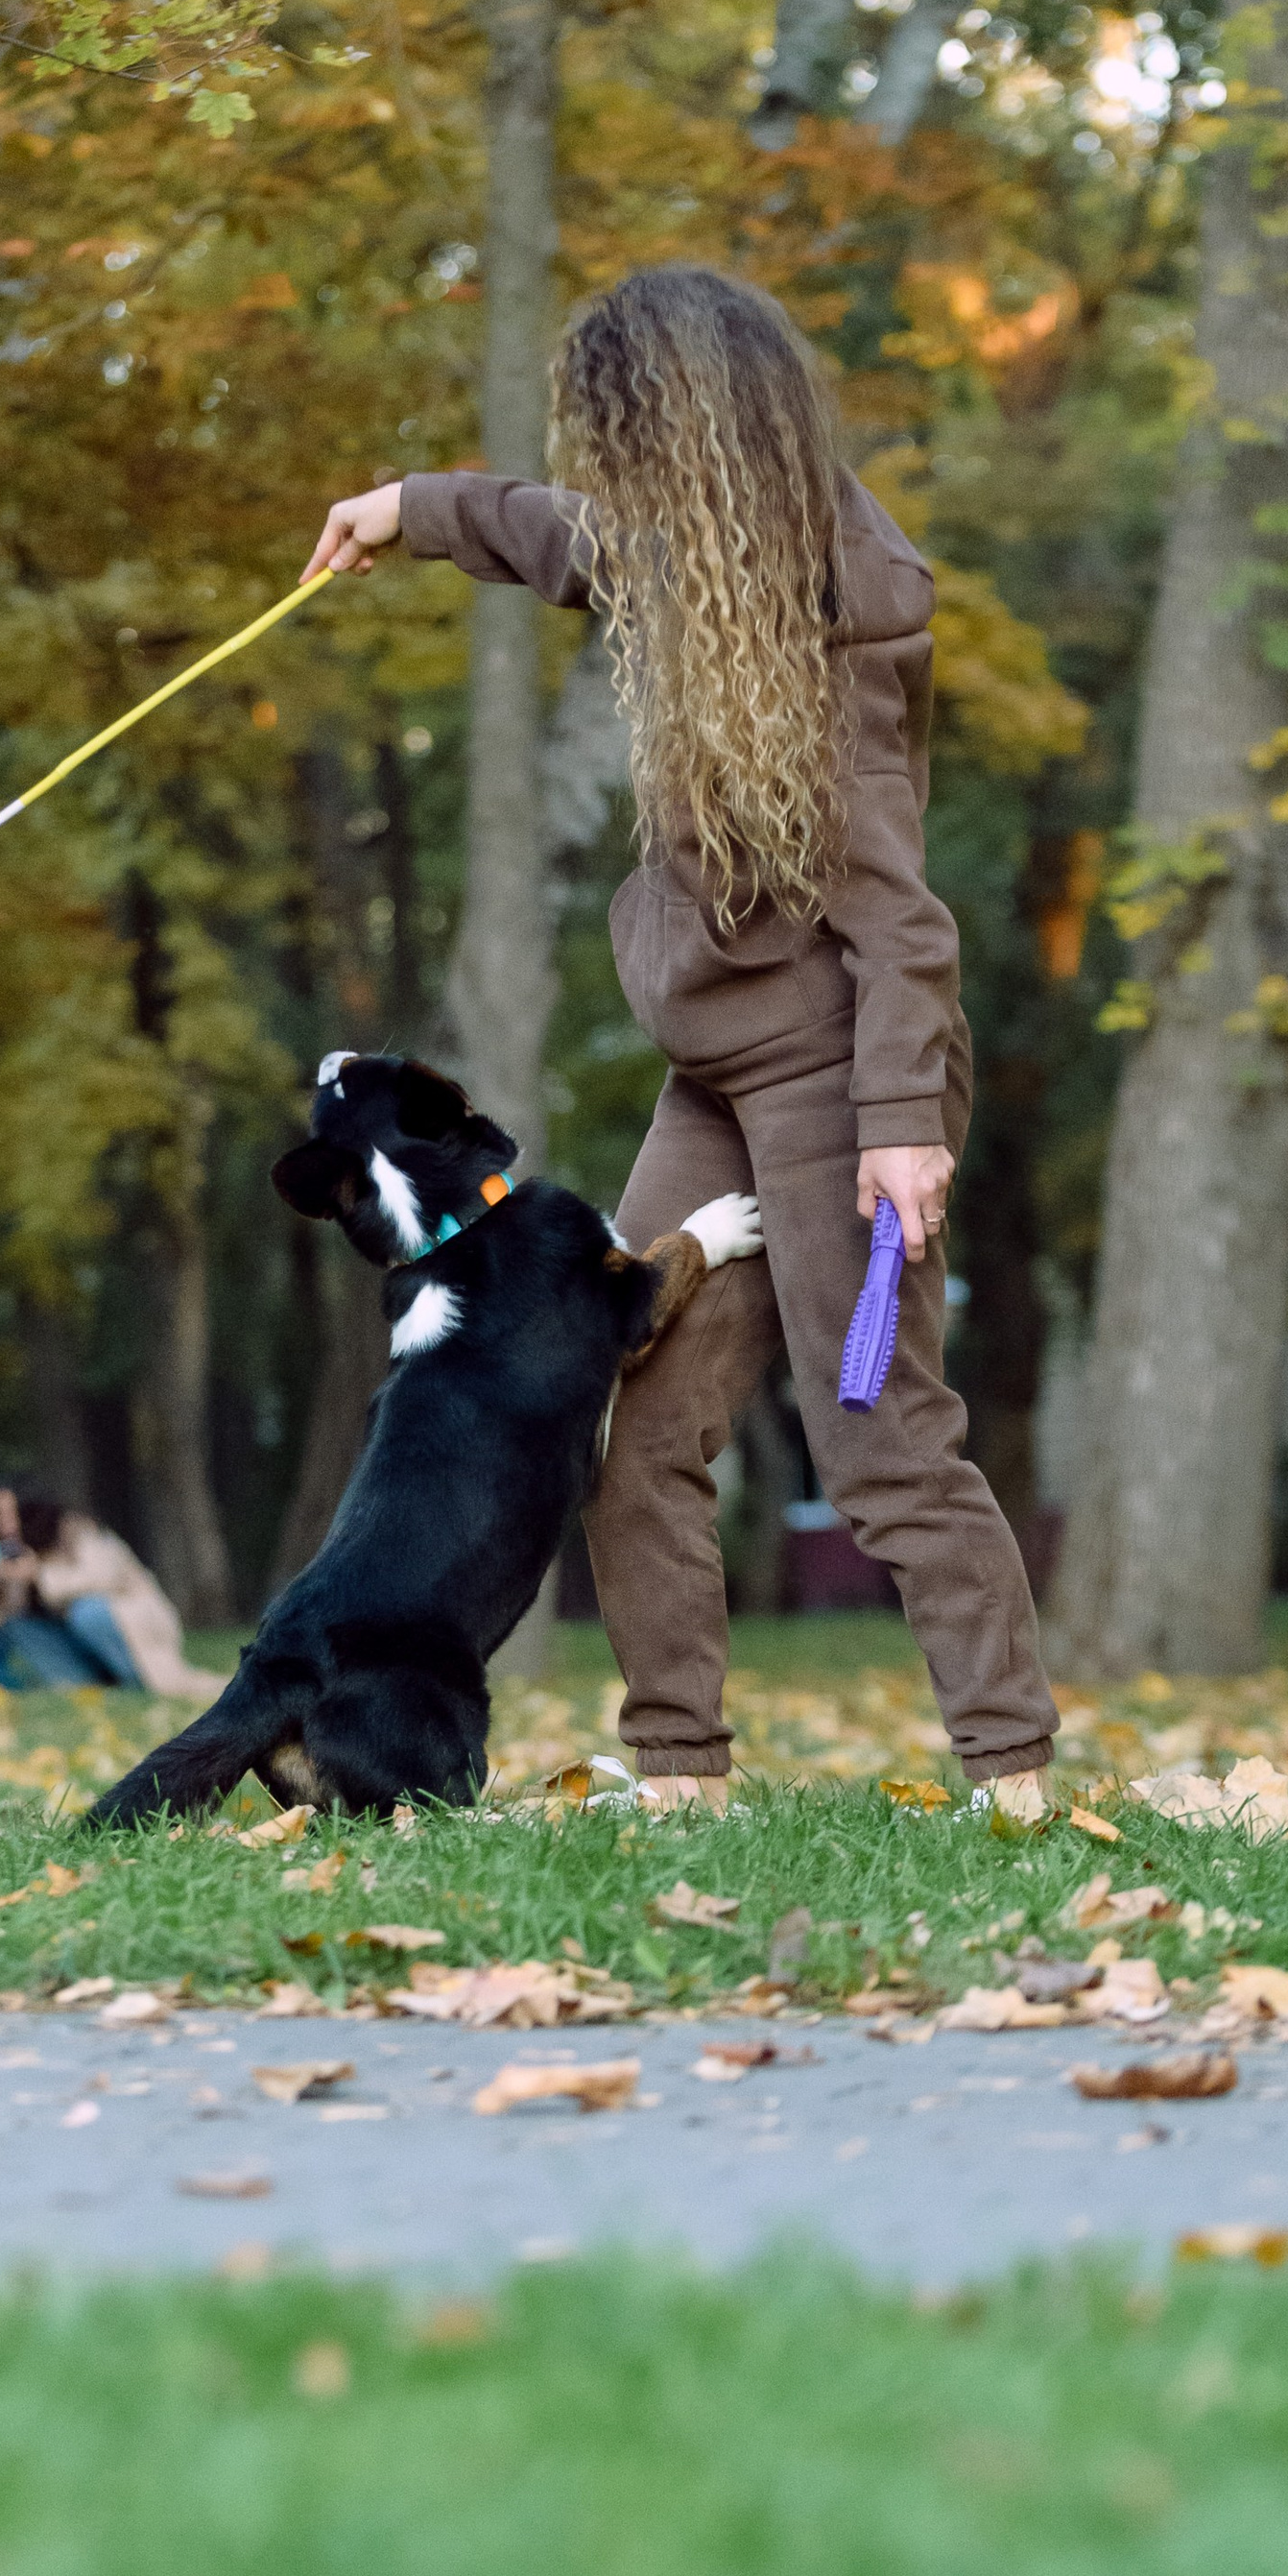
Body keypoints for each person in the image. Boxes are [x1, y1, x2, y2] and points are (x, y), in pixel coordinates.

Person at [305, 263, 1058, 1818]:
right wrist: (408, 505)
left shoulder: (848, 607)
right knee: (631, 1411)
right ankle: (678, 1776)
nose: (613, 478)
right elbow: (554, 534)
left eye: (630, 440)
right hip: (718, 1076)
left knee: (879, 1444)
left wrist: (903, 1120)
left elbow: (899, 911)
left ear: (694, 437)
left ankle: (1013, 1774)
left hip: (849, 1081)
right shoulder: (687, 558)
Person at [0, 1488, 226, 1702]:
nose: (4, 1525)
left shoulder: (77, 1530)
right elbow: (6, 1616)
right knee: (18, 1624)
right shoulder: (12, 1552)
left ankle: (136, 1679)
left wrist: (38, 1574)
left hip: (134, 1625)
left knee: (87, 1612)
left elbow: (105, 1579)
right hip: (79, 1644)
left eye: (9, 1514)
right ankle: (80, 1685)